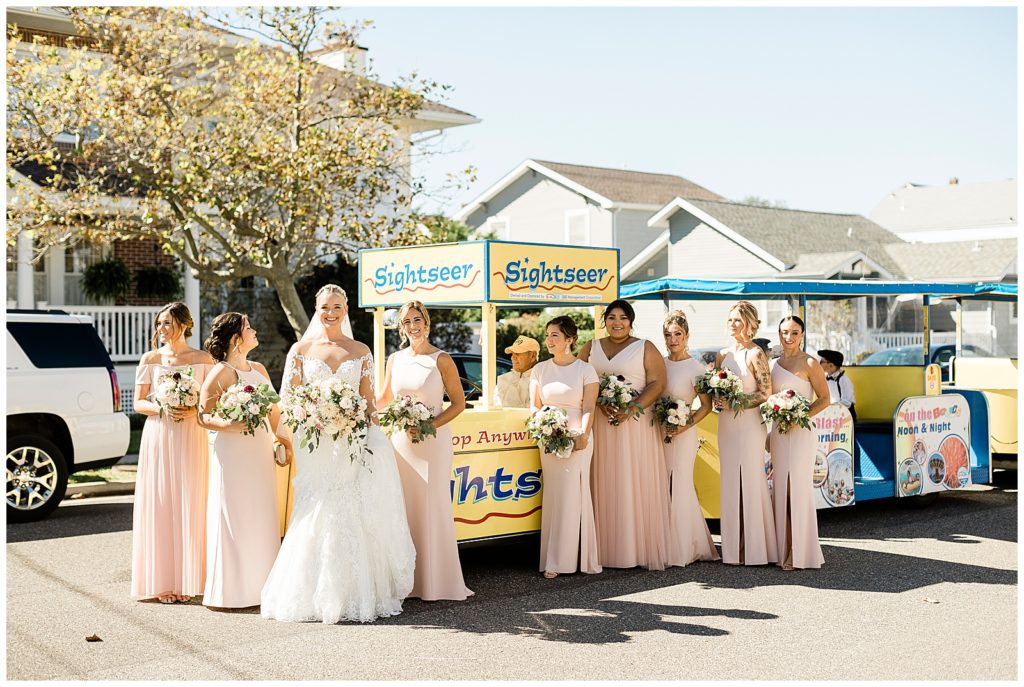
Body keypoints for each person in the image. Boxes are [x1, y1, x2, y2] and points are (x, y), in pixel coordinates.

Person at [261, 285, 415, 623]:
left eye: (338, 306)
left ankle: (352, 594)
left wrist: (366, 425)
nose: (331, 312)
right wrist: (314, 417)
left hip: (351, 443)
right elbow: (289, 400)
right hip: (316, 444)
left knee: (351, 510)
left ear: (346, 309)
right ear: (317, 309)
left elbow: (368, 403)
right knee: (316, 510)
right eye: (325, 306)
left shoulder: (360, 350)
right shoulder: (300, 350)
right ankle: (310, 593)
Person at [378, 301, 473, 601]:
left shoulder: (441, 359)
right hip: (401, 444)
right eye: (406, 322)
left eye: (417, 320)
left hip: (433, 443)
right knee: (403, 508)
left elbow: (458, 404)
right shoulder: (394, 360)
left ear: (427, 323)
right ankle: (409, 580)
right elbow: (383, 400)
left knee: (433, 508)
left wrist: (430, 424)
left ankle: (436, 582)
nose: (412, 326)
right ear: (401, 328)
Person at [130, 302, 215, 604]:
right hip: (160, 434)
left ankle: (192, 580)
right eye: (159, 324)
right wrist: (162, 408)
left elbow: (211, 401)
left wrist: (193, 408)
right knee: (162, 503)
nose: (162, 329)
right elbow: (139, 403)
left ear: (184, 325)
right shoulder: (150, 359)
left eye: (168, 323)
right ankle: (163, 581)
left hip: (193, 434)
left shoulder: (204, 359)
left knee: (193, 500)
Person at [198, 312, 283, 609]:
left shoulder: (258, 369)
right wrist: (233, 425)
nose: (255, 330)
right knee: (234, 515)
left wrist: (280, 441)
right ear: (236, 338)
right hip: (233, 454)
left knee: (260, 514)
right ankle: (232, 591)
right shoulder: (220, 372)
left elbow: (275, 413)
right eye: (249, 328)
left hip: (258, 453)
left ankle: (262, 587)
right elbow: (203, 415)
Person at [579, 299, 670, 570]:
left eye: (623, 317)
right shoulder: (590, 347)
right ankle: (602, 549)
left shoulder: (645, 347)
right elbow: (579, 380)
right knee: (602, 477)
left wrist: (634, 407)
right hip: (600, 422)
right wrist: (597, 401)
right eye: (611, 317)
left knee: (631, 478)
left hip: (634, 424)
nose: (616, 322)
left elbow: (657, 382)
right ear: (604, 320)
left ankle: (633, 548)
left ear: (631, 321)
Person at [530, 316, 601, 578]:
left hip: (577, 439)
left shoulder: (585, 370)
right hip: (548, 439)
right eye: (547, 335)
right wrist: (544, 427)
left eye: (555, 336)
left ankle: (567, 561)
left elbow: (589, 406)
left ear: (570, 340)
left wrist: (582, 433)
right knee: (554, 496)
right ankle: (553, 556)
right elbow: (535, 407)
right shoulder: (540, 369)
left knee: (572, 496)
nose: (549, 340)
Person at [716, 301, 778, 566]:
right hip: (727, 425)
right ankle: (733, 549)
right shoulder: (722, 354)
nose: (733, 325)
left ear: (750, 323)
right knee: (730, 481)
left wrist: (735, 402)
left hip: (749, 424)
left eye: (738, 320)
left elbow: (765, 393)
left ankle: (757, 548)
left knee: (751, 481)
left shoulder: (755, 354)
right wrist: (719, 398)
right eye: (730, 320)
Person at [771, 316, 830, 570]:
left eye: (794, 332)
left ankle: (800, 551)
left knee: (797, 490)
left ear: (802, 334)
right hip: (778, 432)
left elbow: (824, 398)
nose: (789, 337)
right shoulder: (774, 364)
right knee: (781, 489)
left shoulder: (809, 363)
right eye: (784, 332)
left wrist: (800, 416)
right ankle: (782, 547)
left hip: (801, 432)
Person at [661, 311, 719, 567]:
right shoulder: (658, 363)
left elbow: (705, 406)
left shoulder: (696, 369)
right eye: (668, 335)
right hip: (657, 431)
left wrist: (684, 426)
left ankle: (684, 547)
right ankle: (661, 542)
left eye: (677, 334)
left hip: (683, 434)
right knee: (659, 485)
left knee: (681, 484)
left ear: (687, 336)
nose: (672, 340)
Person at [495, 335, 540, 407]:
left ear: (533, 356)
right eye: (512, 354)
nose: (512, 357)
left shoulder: (540, 380)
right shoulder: (503, 379)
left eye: (517, 353)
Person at [818, 349, 856, 420]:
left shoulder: (843, 380)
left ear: (831, 365)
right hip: (832, 414)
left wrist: (832, 408)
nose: (819, 364)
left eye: (821, 362)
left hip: (846, 415)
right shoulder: (826, 379)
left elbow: (846, 402)